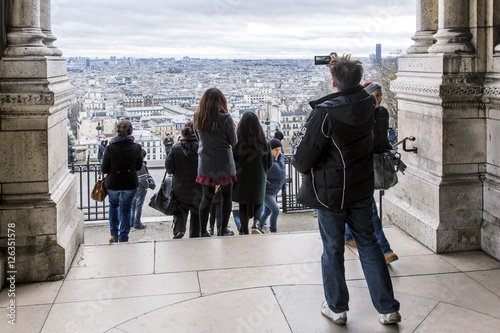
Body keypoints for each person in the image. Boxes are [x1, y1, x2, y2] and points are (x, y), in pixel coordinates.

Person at [292, 53, 400, 326]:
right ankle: (387, 308)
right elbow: (357, 89)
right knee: (370, 244)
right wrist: (339, 67)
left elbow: (303, 157)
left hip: (331, 193)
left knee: (333, 248)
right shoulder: (368, 103)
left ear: (333, 81)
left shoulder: (324, 113)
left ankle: (337, 307)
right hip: (361, 188)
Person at [344, 82, 399, 265]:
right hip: (361, 169)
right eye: (377, 95)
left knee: (363, 207)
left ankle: (347, 234)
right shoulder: (360, 115)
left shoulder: (381, 113)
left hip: (370, 165)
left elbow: (381, 138)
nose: (380, 98)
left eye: (380, 95)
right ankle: (385, 249)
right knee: (371, 210)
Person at [194, 88, 237, 237]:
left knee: (206, 198)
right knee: (226, 197)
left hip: (205, 162)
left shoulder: (197, 117)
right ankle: (223, 228)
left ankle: (203, 231)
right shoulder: (226, 118)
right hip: (224, 161)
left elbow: (198, 139)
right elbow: (234, 141)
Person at [101, 120, 143, 243]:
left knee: (113, 206)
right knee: (126, 209)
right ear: (131, 131)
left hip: (113, 182)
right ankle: (124, 236)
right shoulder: (136, 147)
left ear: (117, 131)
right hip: (129, 182)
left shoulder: (110, 148)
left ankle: (114, 234)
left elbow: (104, 169)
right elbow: (139, 167)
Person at [232, 112, 273, 235]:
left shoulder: (237, 143)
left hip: (241, 178)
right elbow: (270, 163)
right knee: (258, 202)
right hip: (258, 177)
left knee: (243, 204)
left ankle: (244, 230)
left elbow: (233, 162)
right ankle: (256, 223)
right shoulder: (265, 142)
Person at [166, 121, 203, 239]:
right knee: (197, 212)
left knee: (180, 208)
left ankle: (179, 230)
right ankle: (195, 234)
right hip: (198, 186)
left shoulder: (176, 147)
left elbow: (169, 168)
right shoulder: (201, 147)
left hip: (180, 186)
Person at [260, 138, 286, 233]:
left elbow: (283, 173)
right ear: (270, 150)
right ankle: (273, 231)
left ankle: (257, 228)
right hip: (266, 191)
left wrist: (284, 186)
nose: (278, 152)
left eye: (279, 149)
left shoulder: (281, 157)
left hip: (274, 190)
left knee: (267, 212)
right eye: (276, 150)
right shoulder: (266, 160)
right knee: (276, 211)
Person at [131, 149, 155, 230]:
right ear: (143, 157)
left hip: (133, 186)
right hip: (141, 187)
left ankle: (132, 221)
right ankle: (137, 223)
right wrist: (146, 186)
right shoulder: (141, 165)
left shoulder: (132, 162)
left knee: (133, 204)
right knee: (139, 205)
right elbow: (143, 178)